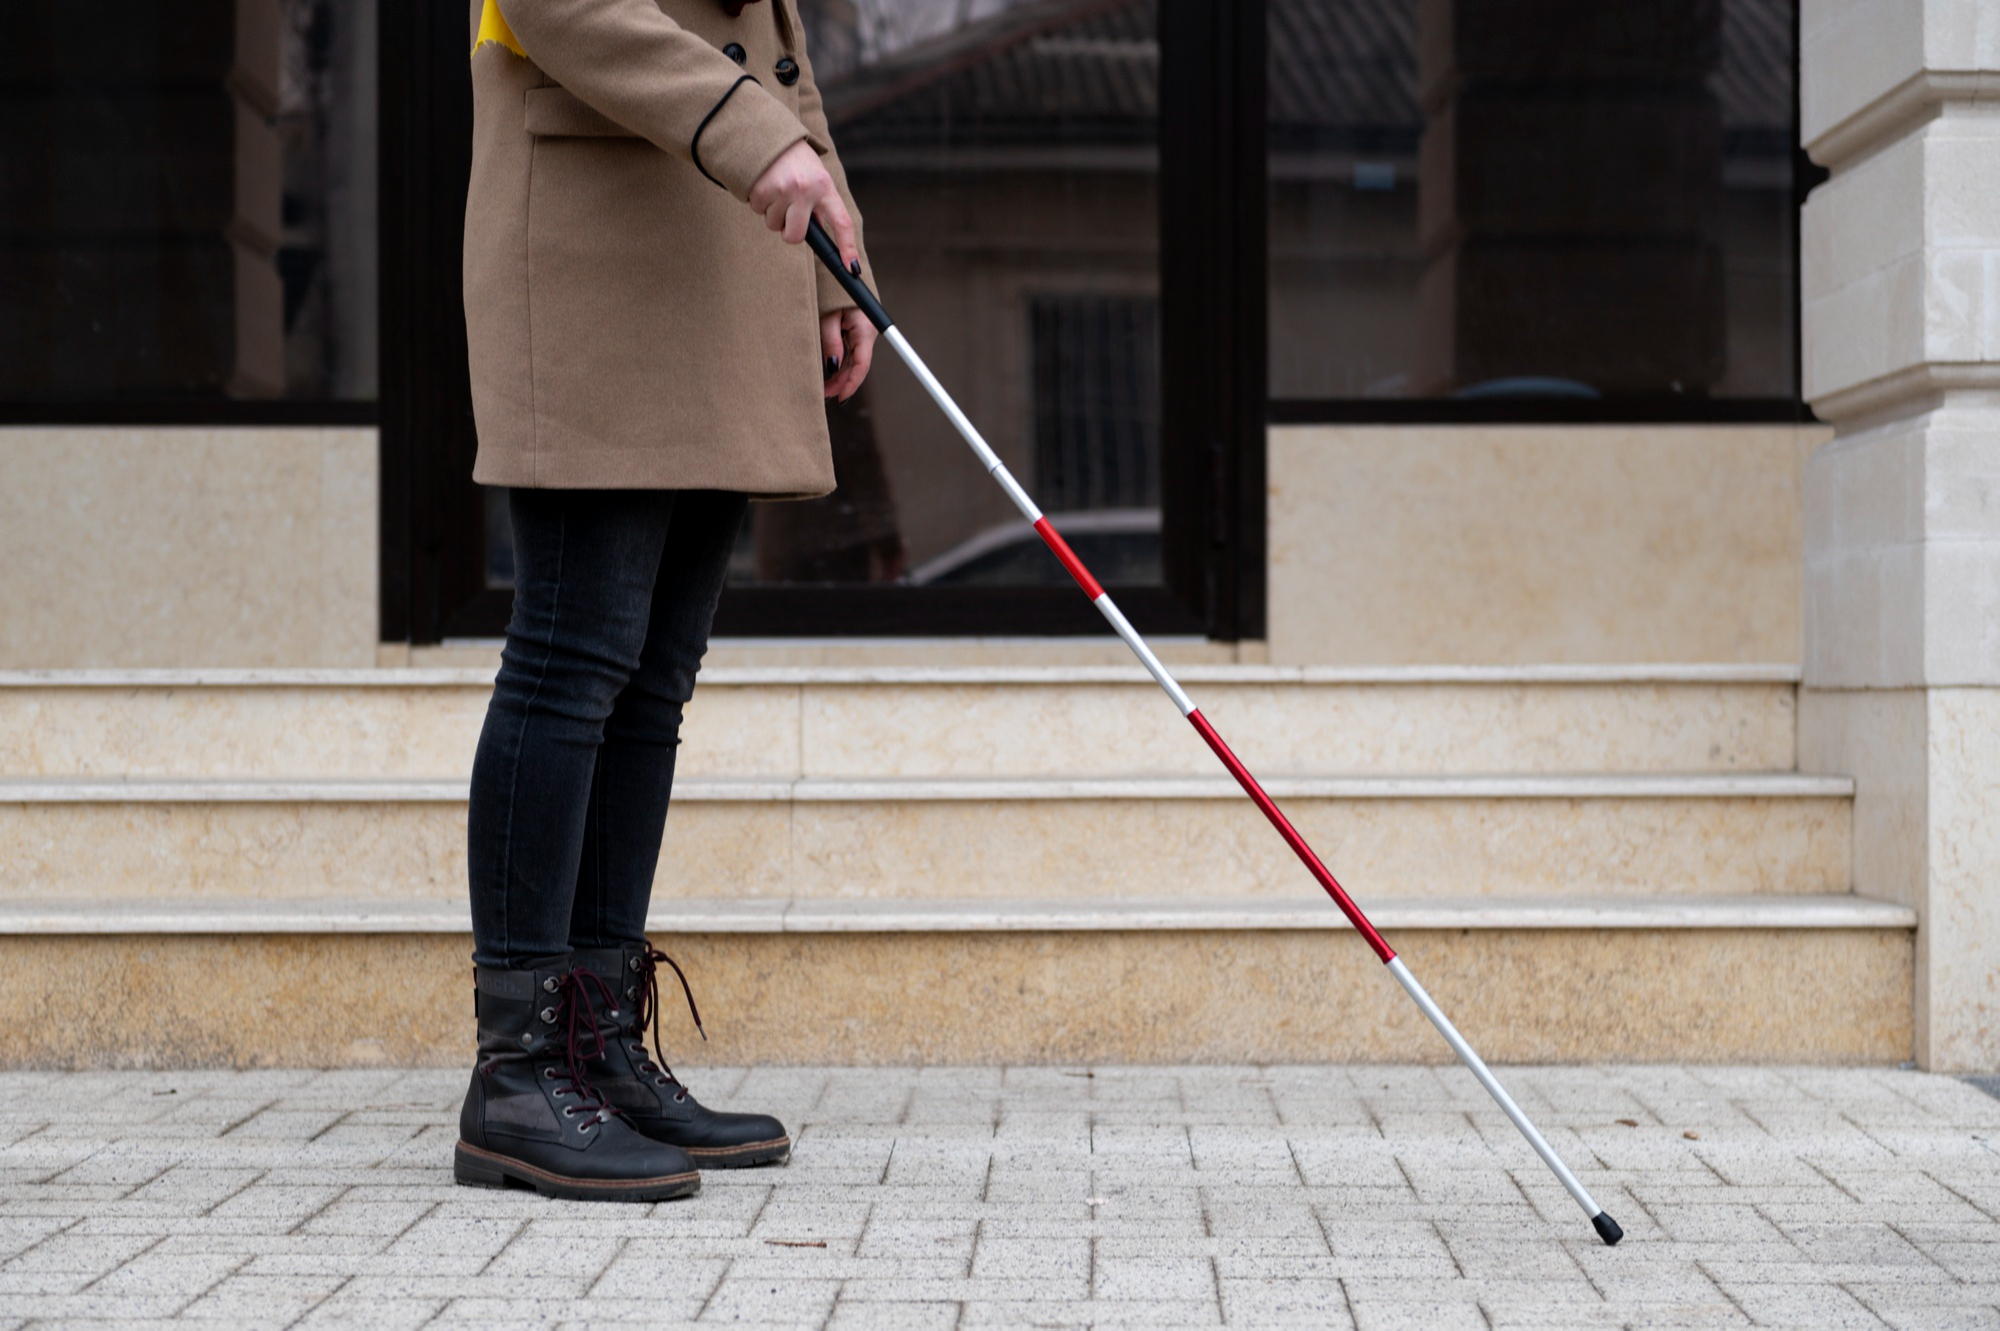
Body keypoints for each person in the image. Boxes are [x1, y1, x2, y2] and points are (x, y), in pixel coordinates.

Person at [452, 0, 876, 1202]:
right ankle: (518, 1070)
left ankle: (594, 1043)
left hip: (716, 263)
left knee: (648, 681)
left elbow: (771, 41)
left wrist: (834, 272)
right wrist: (757, 138)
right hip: (597, 258)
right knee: (569, 658)